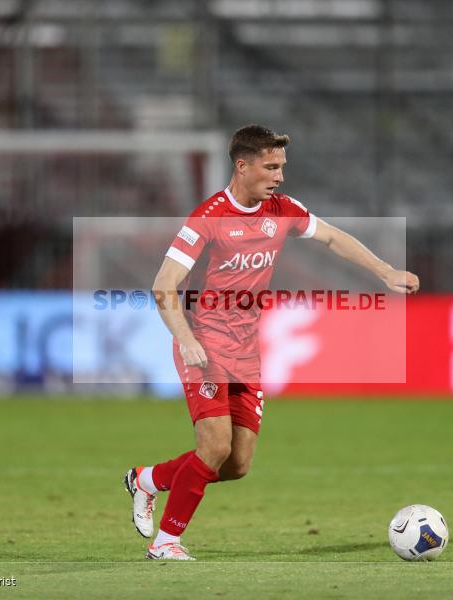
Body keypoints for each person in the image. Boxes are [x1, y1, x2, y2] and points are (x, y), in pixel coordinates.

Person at [124, 124, 419, 560]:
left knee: (236, 464)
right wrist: (185, 338)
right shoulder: (208, 218)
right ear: (242, 166)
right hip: (204, 345)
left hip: (246, 351)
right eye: (271, 167)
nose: (279, 176)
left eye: (282, 167)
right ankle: (166, 543)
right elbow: (163, 284)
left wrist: (386, 271)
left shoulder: (283, 209)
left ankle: (147, 479)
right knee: (215, 445)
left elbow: (333, 237)